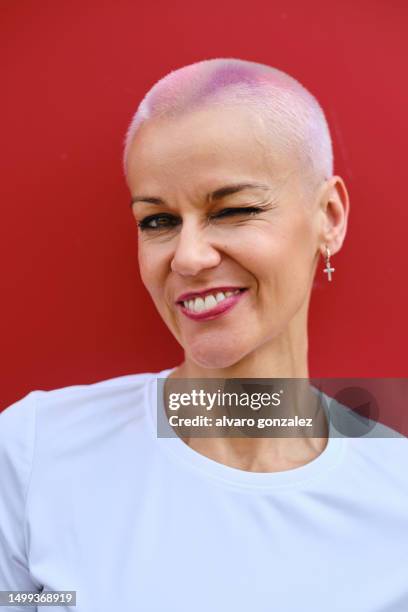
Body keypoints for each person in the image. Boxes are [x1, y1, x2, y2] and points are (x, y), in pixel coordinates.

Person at [0, 58, 407, 611]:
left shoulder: (396, 496)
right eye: (158, 221)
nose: (188, 257)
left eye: (234, 209)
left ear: (329, 217)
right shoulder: (34, 454)